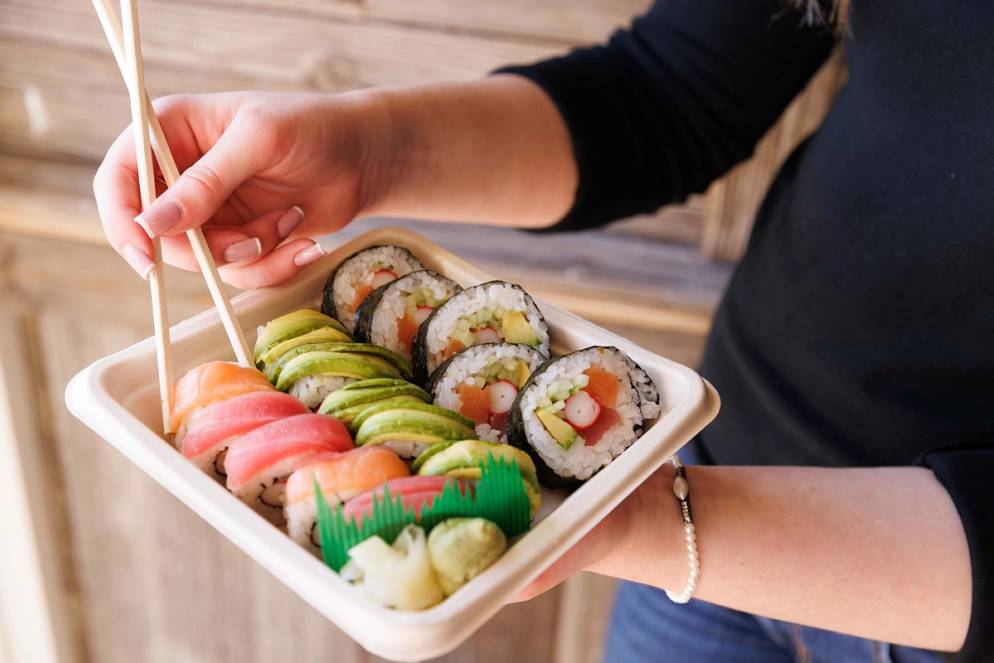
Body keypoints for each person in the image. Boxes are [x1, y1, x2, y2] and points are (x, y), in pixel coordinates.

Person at [93, 1, 993, 661]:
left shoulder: (636, 513)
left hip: (917, 604)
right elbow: (668, 98)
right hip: (710, 464)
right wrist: (368, 149)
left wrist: (630, 519)